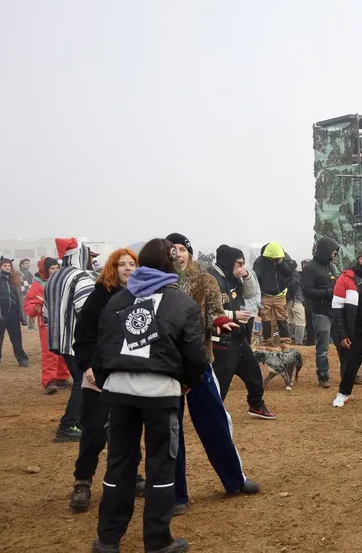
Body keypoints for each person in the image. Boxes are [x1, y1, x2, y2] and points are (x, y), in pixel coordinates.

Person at [91, 239, 206, 553]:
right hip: (160, 393)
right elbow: (196, 355)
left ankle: (107, 540)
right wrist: (186, 382)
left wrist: (108, 381)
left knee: (118, 465)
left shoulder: (115, 302)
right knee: (160, 467)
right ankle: (157, 541)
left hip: (118, 392)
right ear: (170, 265)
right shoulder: (182, 303)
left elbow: (100, 352)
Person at [167, 234, 266, 513]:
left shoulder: (205, 281)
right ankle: (176, 494)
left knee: (215, 424)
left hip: (199, 362)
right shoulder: (157, 284)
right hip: (166, 368)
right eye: (172, 249)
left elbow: (212, 313)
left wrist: (221, 321)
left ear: (189, 252)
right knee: (170, 432)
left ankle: (234, 480)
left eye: (182, 249)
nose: (178, 254)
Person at [70, 249, 143, 512]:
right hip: (98, 374)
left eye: (132, 264)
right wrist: (87, 365)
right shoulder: (100, 296)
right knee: (95, 431)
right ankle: (82, 482)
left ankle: (133, 476)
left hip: (129, 373)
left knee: (130, 429)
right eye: (121, 264)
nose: (127, 269)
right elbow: (84, 334)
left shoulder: (142, 295)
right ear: (112, 268)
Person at [208, 245, 275, 416]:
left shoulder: (234, 277)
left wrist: (246, 276)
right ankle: (212, 414)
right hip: (221, 338)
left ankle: (256, 404)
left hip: (238, 336)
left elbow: (250, 293)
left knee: (253, 372)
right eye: (239, 263)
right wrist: (233, 315)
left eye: (243, 263)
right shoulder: (211, 278)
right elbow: (205, 310)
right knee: (221, 380)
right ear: (228, 262)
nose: (241, 267)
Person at [45, 238, 99, 443]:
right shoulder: (81, 277)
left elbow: (46, 312)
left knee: (81, 380)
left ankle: (78, 421)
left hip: (60, 340)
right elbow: (86, 312)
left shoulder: (54, 277)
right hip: (77, 340)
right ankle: (68, 425)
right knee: (81, 380)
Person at [331, 243, 362, 408]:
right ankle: (343, 393)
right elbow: (337, 309)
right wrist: (342, 334)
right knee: (349, 367)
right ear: (361, 258)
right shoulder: (344, 279)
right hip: (354, 332)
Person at [24, 257, 70, 394]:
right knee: (50, 352)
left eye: (57, 268)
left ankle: (61, 377)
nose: (55, 271)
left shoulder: (63, 282)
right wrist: (36, 309)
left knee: (63, 350)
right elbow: (30, 303)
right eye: (52, 268)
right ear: (45, 270)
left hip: (63, 320)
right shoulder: (38, 285)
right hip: (47, 323)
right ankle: (49, 380)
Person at [302, 237, 340, 388]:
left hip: (335, 311)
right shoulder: (310, 268)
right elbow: (307, 291)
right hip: (320, 312)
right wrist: (330, 292)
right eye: (333, 251)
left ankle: (349, 373)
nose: (334, 254)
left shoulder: (331, 266)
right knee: (323, 347)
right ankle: (323, 375)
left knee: (342, 343)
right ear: (325, 251)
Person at [0, 256, 29, 369]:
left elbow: (21, 298)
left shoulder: (15, 279)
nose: (7, 268)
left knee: (17, 339)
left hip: (14, 314)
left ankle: (22, 359)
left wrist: (23, 314)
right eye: (4, 265)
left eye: (9, 266)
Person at [252, 242, 296, 344]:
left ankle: (285, 341)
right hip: (265, 295)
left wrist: (281, 263)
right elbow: (255, 278)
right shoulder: (259, 262)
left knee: (282, 317)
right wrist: (260, 293)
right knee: (265, 318)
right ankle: (267, 340)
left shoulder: (284, 258)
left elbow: (290, 270)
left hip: (280, 295)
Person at [286, 261, 307, 345]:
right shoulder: (296, 275)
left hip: (289, 301)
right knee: (300, 323)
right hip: (297, 301)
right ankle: (299, 343)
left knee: (290, 320)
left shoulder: (287, 275)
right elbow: (294, 285)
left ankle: (288, 340)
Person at [18, 259, 37, 331]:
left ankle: (31, 326)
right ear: (21, 265)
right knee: (21, 311)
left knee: (33, 309)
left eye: (29, 263)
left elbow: (33, 283)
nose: (28, 265)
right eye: (26, 263)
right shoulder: (17, 273)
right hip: (21, 294)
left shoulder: (30, 273)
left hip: (30, 294)